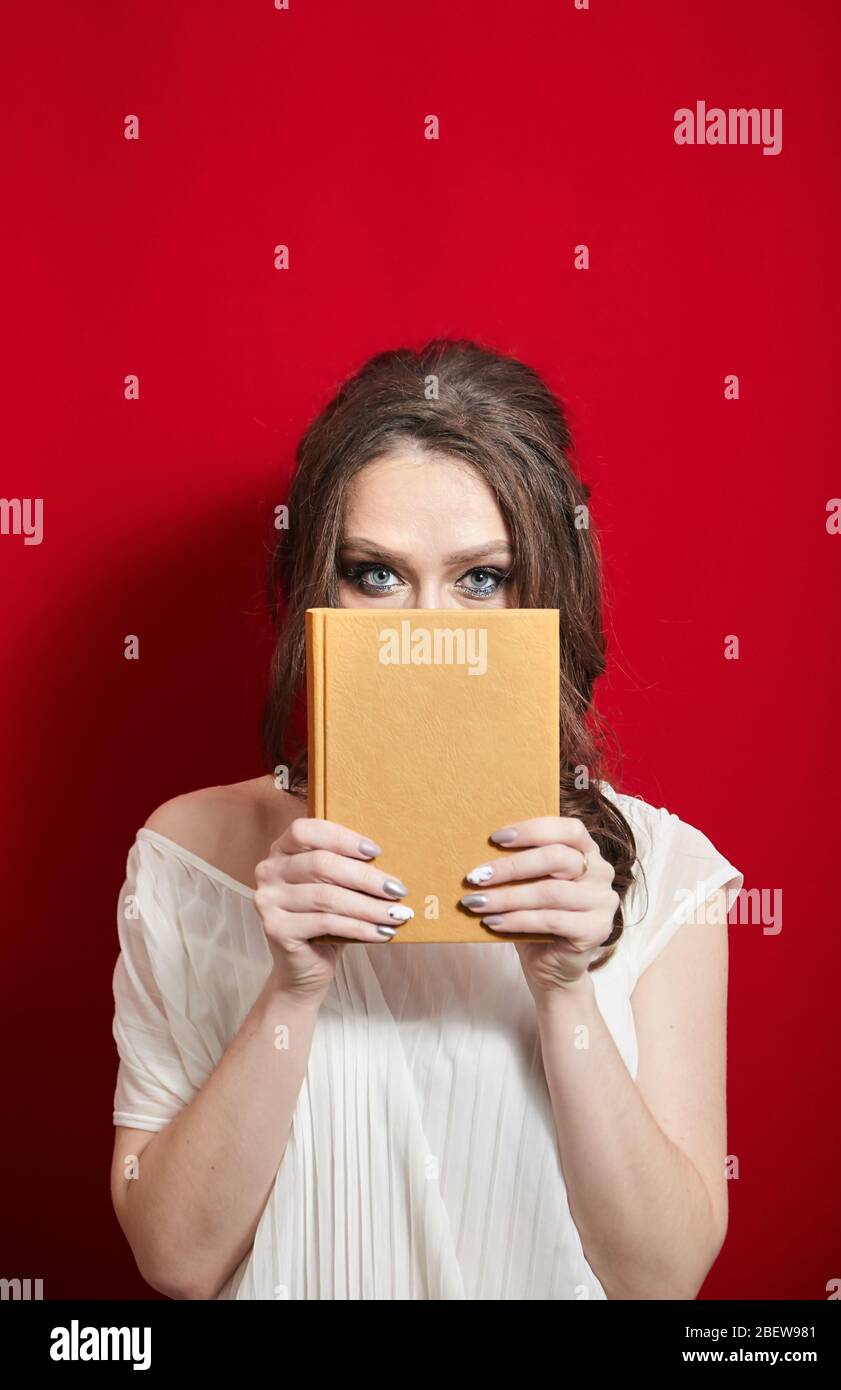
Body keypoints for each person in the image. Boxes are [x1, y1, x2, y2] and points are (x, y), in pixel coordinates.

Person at [109, 338, 743, 1300]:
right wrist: (291, 989)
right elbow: (176, 1262)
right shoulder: (189, 852)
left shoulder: (668, 871)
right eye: (375, 573)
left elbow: (659, 1282)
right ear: (315, 583)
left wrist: (565, 992)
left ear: (549, 591)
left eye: (481, 578)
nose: (425, 625)